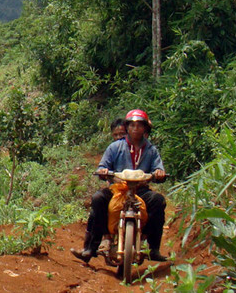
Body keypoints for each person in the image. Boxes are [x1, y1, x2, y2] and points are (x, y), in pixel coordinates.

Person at [71, 109, 169, 263]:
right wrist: (103, 170)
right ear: (127, 127)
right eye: (132, 125)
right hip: (117, 189)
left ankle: (153, 247)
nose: (135, 128)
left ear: (145, 128)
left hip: (140, 190)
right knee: (98, 199)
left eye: (139, 125)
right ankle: (91, 247)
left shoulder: (151, 150)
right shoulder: (115, 147)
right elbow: (103, 165)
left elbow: (159, 168)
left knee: (158, 201)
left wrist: (159, 173)